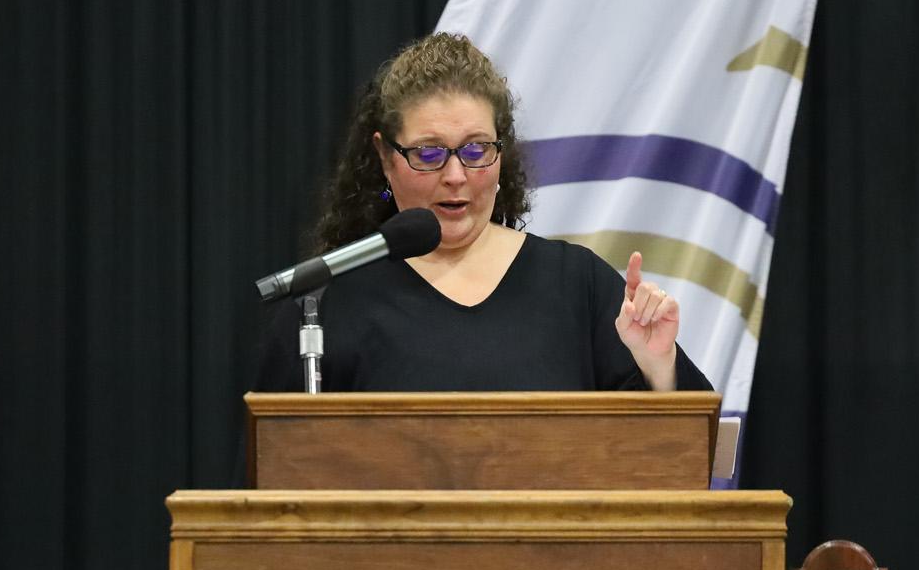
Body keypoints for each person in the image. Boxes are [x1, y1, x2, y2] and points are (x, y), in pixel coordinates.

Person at [253, 32, 715, 394]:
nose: (456, 175)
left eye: (476, 150)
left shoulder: (578, 286)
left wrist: (659, 367)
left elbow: (686, 453)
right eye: (429, 153)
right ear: (386, 157)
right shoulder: (327, 304)